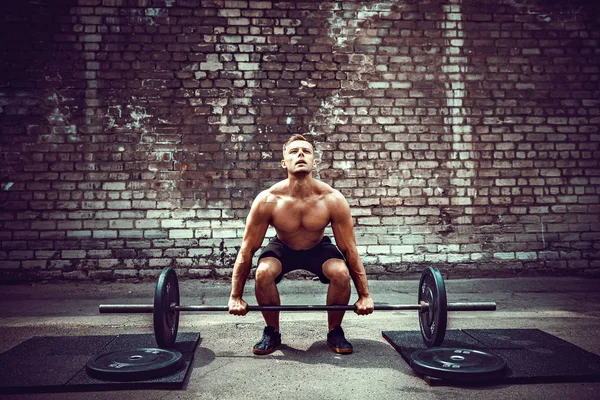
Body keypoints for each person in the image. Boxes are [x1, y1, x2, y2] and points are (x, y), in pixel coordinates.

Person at [228, 134, 375, 355]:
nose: (300, 155)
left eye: (306, 151)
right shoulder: (268, 200)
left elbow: (349, 249)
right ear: (283, 162)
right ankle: (272, 331)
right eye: (293, 152)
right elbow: (247, 249)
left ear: (314, 162)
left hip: (318, 247)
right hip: (283, 247)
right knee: (263, 272)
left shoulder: (332, 199)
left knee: (340, 272)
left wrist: (364, 295)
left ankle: (335, 331)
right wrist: (235, 297)